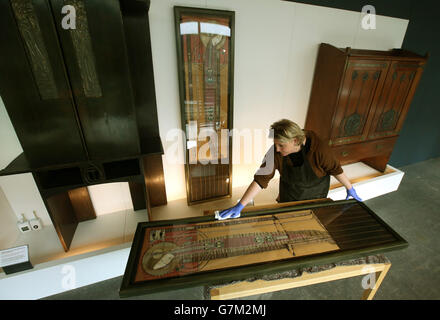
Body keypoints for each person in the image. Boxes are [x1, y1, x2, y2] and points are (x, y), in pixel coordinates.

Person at [218, 119, 362, 220]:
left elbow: (335, 169)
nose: (277, 149)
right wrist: (240, 205)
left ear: (295, 141)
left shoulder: (320, 149)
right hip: (289, 198)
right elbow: (261, 179)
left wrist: (349, 188)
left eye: (281, 145)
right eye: (275, 144)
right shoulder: (275, 152)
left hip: (316, 199)